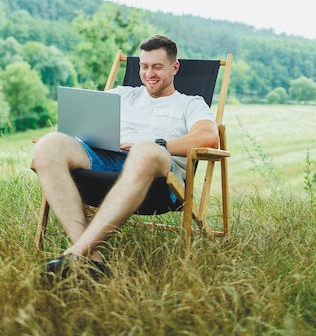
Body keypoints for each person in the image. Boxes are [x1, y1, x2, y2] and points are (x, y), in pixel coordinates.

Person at [32, 34, 218, 280]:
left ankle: (74, 255)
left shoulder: (189, 104)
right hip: (105, 161)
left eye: (157, 67)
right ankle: (91, 258)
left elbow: (208, 138)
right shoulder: (122, 93)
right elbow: (87, 125)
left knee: (145, 149)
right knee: (49, 144)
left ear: (174, 67)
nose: (149, 73)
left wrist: (157, 143)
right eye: (144, 66)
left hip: (157, 173)